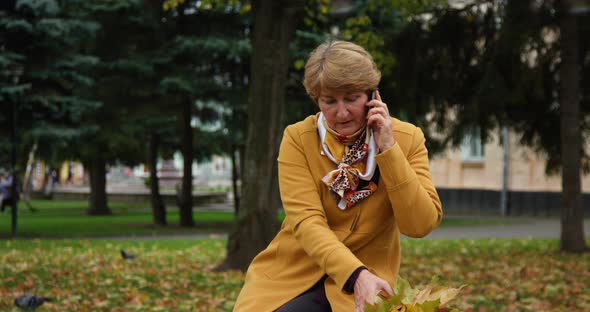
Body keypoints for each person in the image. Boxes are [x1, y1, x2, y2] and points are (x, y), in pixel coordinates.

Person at [233, 40, 443, 312]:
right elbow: (307, 222)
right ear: (316, 100)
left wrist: (389, 150)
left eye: (352, 98)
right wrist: (356, 274)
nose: (341, 112)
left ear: (372, 95)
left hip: (370, 280)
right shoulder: (298, 138)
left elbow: (420, 224)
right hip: (292, 274)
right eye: (329, 101)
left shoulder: (407, 138)